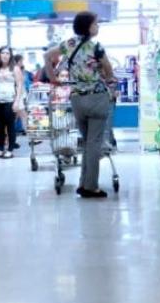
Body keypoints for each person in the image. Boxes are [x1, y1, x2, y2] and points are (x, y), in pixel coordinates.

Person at [45, 11, 116, 198]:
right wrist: (109, 79)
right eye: (96, 23)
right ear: (88, 27)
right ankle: (91, 187)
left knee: (87, 143)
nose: (98, 26)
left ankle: (84, 183)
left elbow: (47, 55)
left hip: (77, 99)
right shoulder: (96, 47)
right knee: (94, 144)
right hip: (96, 98)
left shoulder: (69, 44)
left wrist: (53, 78)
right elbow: (108, 69)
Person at [11, 54, 28, 151]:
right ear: (18, 61)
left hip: (18, 97)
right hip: (17, 97)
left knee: (14, 119)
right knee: (23, 117)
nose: (22, 63)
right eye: (21, 61)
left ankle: (12, 141)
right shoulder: (16, 69)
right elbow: (18, 85)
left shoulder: (17, 69)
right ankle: (31, 138)